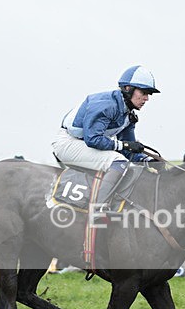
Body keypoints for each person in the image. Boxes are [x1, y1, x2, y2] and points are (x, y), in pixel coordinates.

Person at [52, 65, 160, 214]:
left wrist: (147, 160)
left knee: (129, 164)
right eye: (143, 92)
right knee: (119, 162)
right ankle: (97, 209)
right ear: (128, 88)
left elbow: (128, 151)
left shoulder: (128, 115)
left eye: (149, 94)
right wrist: (125, 145)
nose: (146, 98)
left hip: (83, 143)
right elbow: (93, 139)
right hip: (68, 143)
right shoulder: (106, 105)